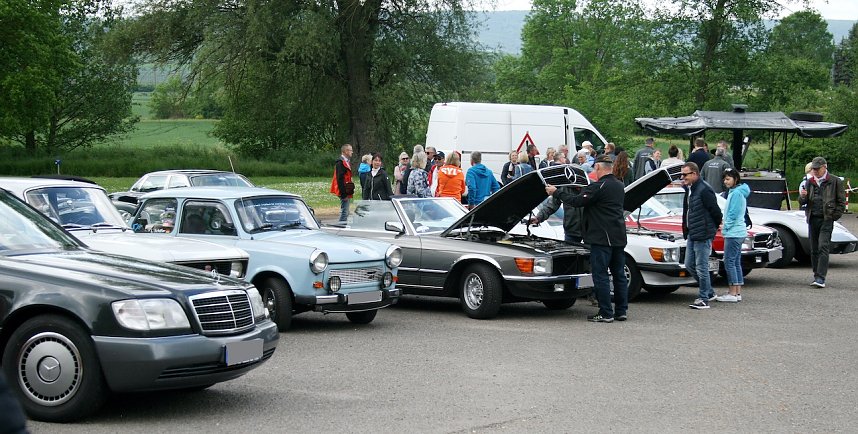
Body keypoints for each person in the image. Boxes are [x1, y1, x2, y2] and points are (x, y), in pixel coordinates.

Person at [543, 155, 628, 322]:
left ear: (597, 168)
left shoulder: (598, 186)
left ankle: (605, 312)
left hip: (601, 238)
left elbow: (576, 201)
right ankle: (621, 310)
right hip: (618, 236)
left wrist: (556, 192)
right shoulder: (619, 185)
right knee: (619, 275)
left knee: (600, 274)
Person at [799, 157, 847, 288]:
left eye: (817, 168)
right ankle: (816, 275)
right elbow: (803, 202)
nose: (814, 171)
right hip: (812, 218)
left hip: (826, 219)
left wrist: (834, 216)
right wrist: (802, 196)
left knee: (822, 247)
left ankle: (821, 278)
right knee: (814, 249)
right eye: (813, 169)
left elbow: (841, 201)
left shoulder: (835, 181)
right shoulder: (809, 182)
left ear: (824, 167)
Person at [681, 162, 723, 309]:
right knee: (689, 264)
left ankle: (704, 298)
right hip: (693, 232)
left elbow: (716, 211)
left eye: (685, 174)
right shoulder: (689, 189)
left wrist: (713, 228)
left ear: (694, 174)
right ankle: (709, 292)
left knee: (701, 266)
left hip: (703, 233)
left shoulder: (704, 190)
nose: (683, 177)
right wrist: (686, 229)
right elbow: (687, 211)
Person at [715, 168, 750, 303]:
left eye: (728, 179)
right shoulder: (738, 192)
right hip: (738, 231)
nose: (725, 181)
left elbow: (733, 214)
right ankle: (737, 291)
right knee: (735, 261)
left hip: (734, 232)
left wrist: (725, 226)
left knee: (729, 261)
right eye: (724, 179)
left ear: (736, 179)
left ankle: (732, 293)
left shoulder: (735, 194)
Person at [330, 143, 354, 223]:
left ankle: (342, 225)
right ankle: (341, 227)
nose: (352, 152)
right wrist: (343, 194)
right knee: (345, 212)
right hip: (343, 190)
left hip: (346, 189)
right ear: (345, 151)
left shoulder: (346, 162)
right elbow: (340, 179)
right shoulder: (340, 163)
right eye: (350, 150)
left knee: (345, 210)